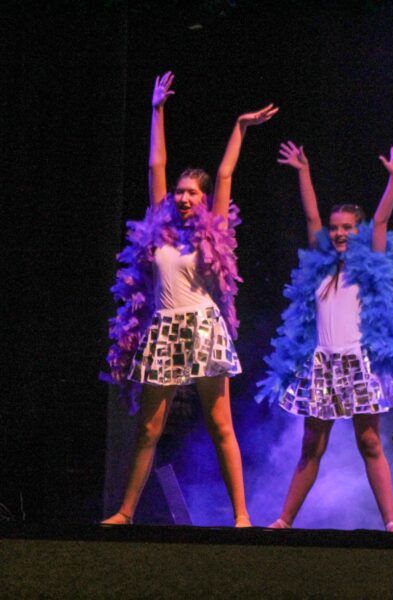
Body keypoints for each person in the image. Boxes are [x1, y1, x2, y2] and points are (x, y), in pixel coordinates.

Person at [102, 72, 277, 526]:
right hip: (164, 328)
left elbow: (225, 174)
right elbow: (155, 167)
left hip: (201, 326)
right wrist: (157, 110)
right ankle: (125, 512)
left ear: (204, 200)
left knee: (220, 425)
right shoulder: (160, 229)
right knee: (149, 427)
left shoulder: (211, 230)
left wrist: (240, 127)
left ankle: (242, 515)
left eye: (191, 193)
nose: (182, 198)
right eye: (179, 192)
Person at [256, 141, 393, 532]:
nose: (340, 233)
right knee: (311, 445)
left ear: (359, 231)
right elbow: (311, 215)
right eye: (335, 228)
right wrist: (303, 171)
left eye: (348, 227)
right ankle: (284, 520)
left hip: (359, 362)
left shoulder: (369, 263)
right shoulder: (322, 265)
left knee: (370, 442)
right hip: (323, 362)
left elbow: (381, 221)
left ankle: (391, 523)